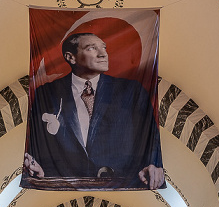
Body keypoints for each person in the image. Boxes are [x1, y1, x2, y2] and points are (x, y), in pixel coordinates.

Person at [23, 32, 165, 190]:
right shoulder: (47, 94)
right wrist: (40, 169)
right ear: (71, 57)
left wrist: (155, 165)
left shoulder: (131, 91)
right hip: (66, 189)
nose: (103, 54)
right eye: (91, 48)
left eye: (104, 48)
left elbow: (150, 135)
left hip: (123, 188)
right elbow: (40, 142)